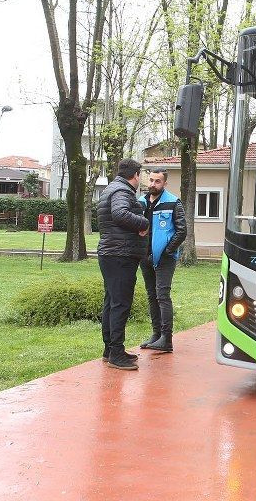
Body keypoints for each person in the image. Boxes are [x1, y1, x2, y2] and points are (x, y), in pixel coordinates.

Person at [96, 158, 149, 370]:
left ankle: (110, 350)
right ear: (135, 175)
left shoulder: (111, 188)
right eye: (140, 175)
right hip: (121, 255)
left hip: (111, 253)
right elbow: (120, 214)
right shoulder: (122, 191)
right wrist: (143, 223)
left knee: (111, 301)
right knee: (120, 304)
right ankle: (116, 353)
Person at [137, 169, 186, 354]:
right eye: (151, 180)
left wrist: (168, 251)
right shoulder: (140, 203)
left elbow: (182, 231)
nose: (152, 184)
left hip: (164, 259)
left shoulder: (173, 202)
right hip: (145, 257)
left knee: (162, 296)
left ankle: (167, 339)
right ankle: (156, 335)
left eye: (157, 181)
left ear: (164, 184)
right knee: (151, 296)